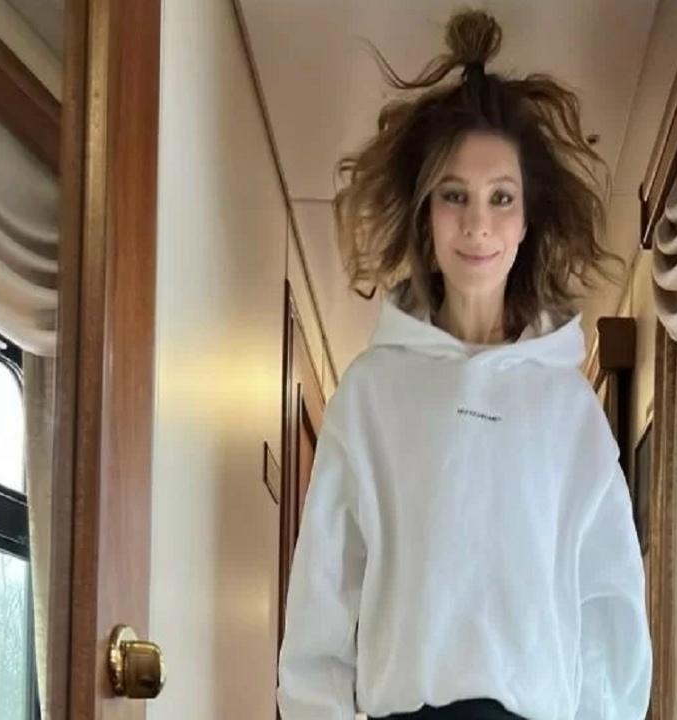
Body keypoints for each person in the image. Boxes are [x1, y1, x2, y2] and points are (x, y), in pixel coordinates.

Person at [277, 9, 652, 719]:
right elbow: (322, 604)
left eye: (500, 198)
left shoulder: (570, 411)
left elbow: (608, 611)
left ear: (526, 221)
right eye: (454, 196)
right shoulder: (370, 395)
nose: (477, 223)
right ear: (427, 214)